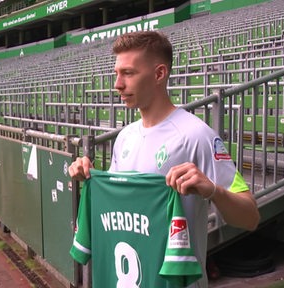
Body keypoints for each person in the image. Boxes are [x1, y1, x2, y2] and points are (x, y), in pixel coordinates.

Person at [68, 31, 260, 287]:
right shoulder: (125, 137)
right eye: (116, 74)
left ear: (159, 74)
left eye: (128, 73)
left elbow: (250, 218)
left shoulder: (197, 135)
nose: (117, 84)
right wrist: (91, 177)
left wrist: (213, 191)